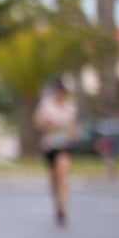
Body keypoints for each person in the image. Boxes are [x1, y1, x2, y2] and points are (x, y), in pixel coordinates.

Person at [33, 81, 81, 226]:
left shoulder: (71, 107)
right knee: (53, 180)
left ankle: (62, 208)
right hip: (50, 145)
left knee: (63, 177)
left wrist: (73, 135)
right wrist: (47, 124)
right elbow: (38, 122)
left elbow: (74, 126)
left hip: (65, 145)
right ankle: (57, 203)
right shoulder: (46, 105)